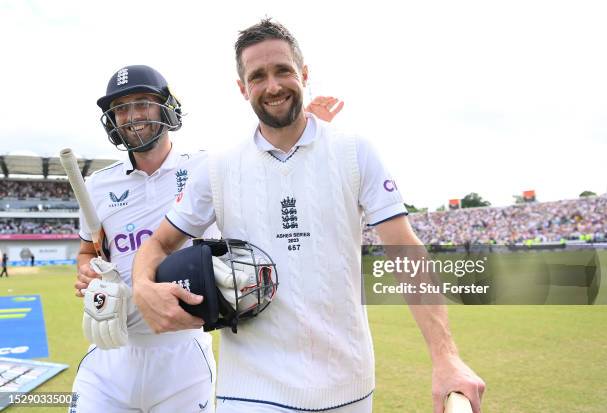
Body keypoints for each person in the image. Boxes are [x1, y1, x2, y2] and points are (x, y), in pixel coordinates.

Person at [132, 19, 485, 413]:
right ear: (242, 88)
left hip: (347, 386)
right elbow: (159, 243)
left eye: (283, 70)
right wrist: (142, 285)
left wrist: (446, 357)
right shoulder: (217, 168)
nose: (273, 85)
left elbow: (405, 249)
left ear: (303, 73)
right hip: (250, 388)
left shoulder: (354, 152)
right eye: (258, 76)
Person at [70, 65, 218, 413]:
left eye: (143, 103)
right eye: (121, 108)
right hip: (110, 351)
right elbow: (87, 251)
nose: (132, 116)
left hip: (183, 355)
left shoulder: (208, 169)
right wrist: (87, 272)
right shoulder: (97, 185)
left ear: (167, 106)